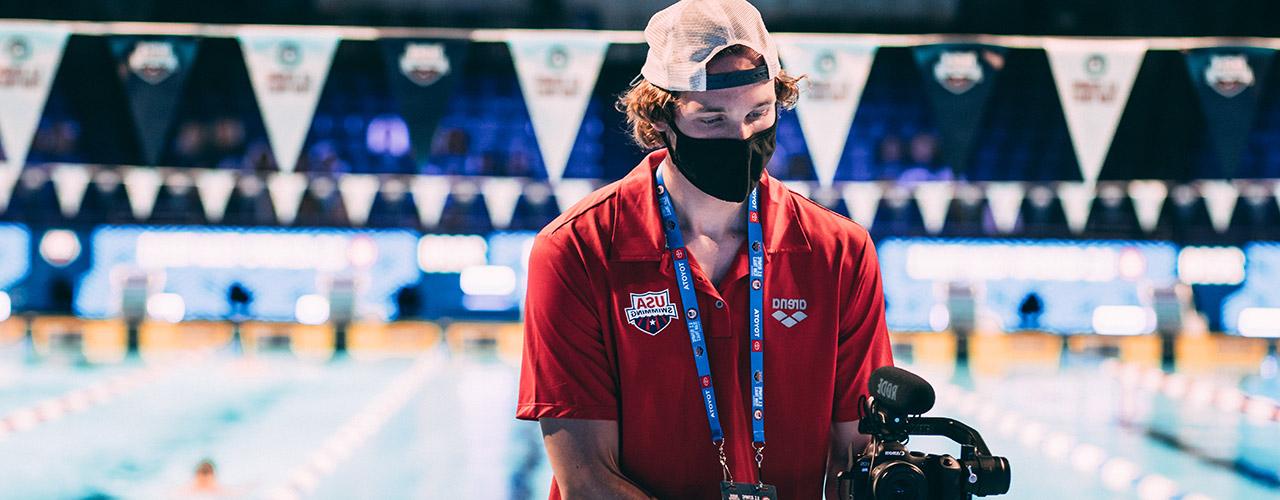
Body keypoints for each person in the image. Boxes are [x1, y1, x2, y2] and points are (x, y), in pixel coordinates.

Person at [516, 1, 894, 498]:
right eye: (712, 119)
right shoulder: (577, 252)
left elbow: (856, 462)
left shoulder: (839, 253)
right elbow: (589, 479)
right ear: (660, 119)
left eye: (759, 113)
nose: (741, 136)